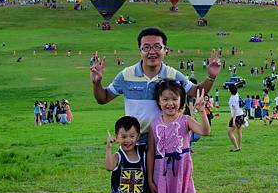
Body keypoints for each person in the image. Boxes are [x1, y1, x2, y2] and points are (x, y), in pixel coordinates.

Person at [90, 27, 221, 145]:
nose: (152, 52)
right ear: (140, 51)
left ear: (165, 50)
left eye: (157, 47)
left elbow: (195, 91)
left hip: (164, 138)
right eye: (146, 47)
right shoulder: (126, 75)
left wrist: (211, 77)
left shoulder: (173, 74)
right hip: (135, 139)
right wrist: (97, 83)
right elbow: (103, 98)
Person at [147, 79, 210, 193]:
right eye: (165, 99)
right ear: (159, 101)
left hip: (182, 168)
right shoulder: (154, 124)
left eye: (174, 99)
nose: (170, 103)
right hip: (161, 171)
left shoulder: (186, 120)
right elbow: (151, 152)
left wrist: (202, 111)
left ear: (181, 100)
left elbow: (205, 131)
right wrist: (150, 179)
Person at [105, 116, 149, 193]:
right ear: (117, 137)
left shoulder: (143, 153)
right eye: (123, 137)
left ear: (138, 136)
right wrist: (108, 147)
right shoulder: (118, 156)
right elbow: (109, 167)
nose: (128, 140)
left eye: (132, 136)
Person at [227, 83, 245, 152]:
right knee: (239, 132)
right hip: (241, 115)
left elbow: (234, 110)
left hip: (236, 116)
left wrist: (233, 120)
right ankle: (239, 147)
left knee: (229, 132)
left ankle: (236, 147)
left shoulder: (232, 98)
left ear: (230, 90)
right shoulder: (237, 94)